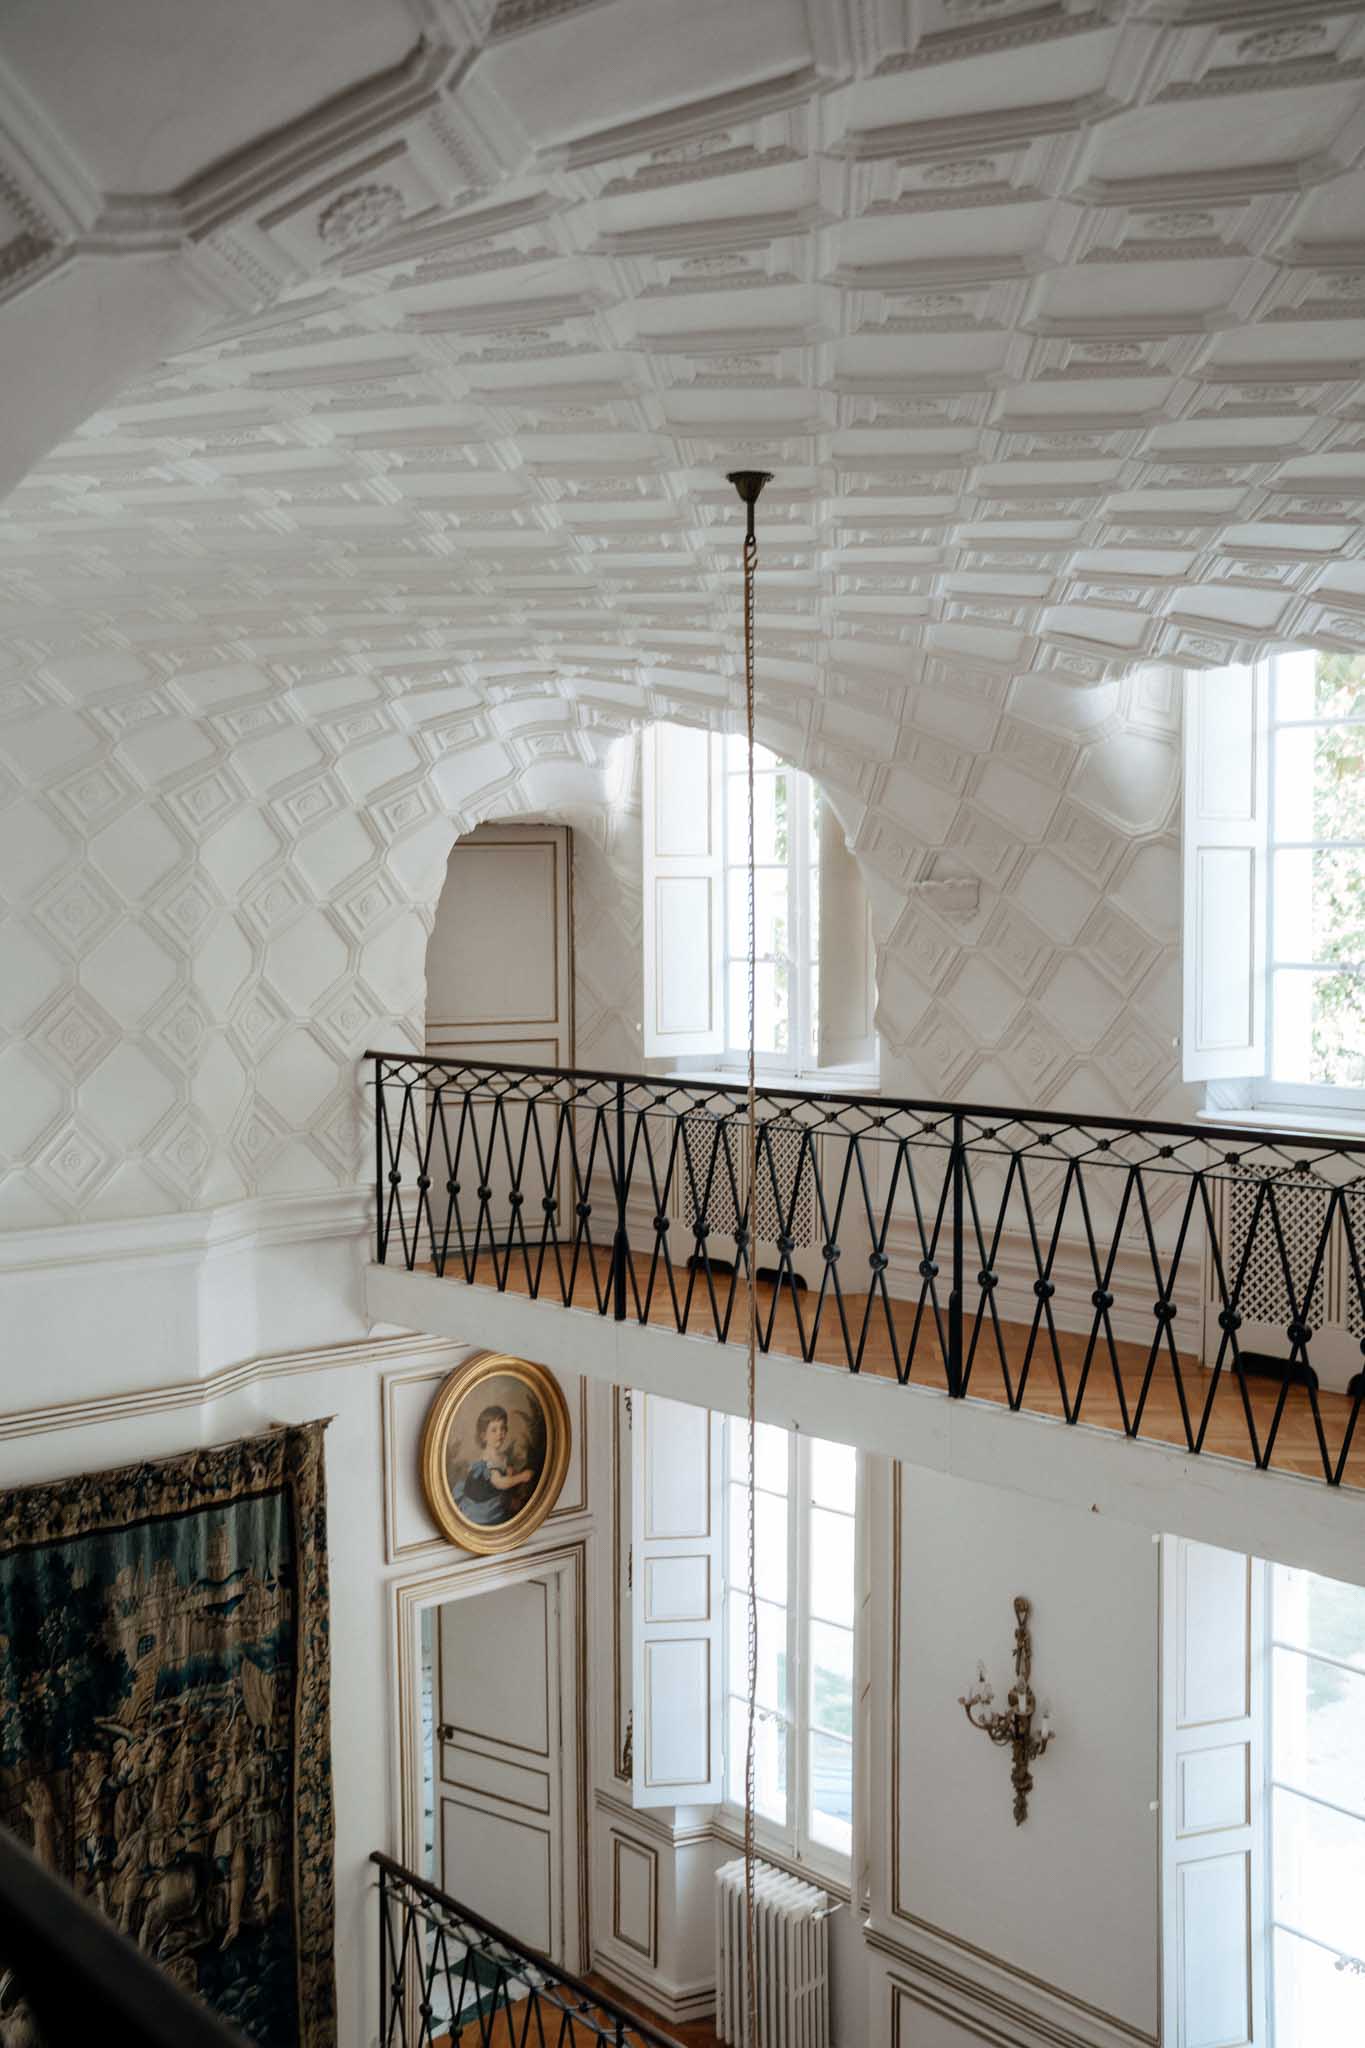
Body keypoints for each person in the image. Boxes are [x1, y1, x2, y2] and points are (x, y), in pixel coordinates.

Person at [451, 1405, 536, 1526]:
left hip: (494, 1500)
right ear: (483, 1436)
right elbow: (500, 1483)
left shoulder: (501, 1456)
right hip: (482, 1509)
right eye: (494, 1430)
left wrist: (510, 1471)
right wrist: (521, 1477)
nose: (500, 1433)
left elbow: (504, 1471)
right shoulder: (488, 1458)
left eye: (503, 1428)